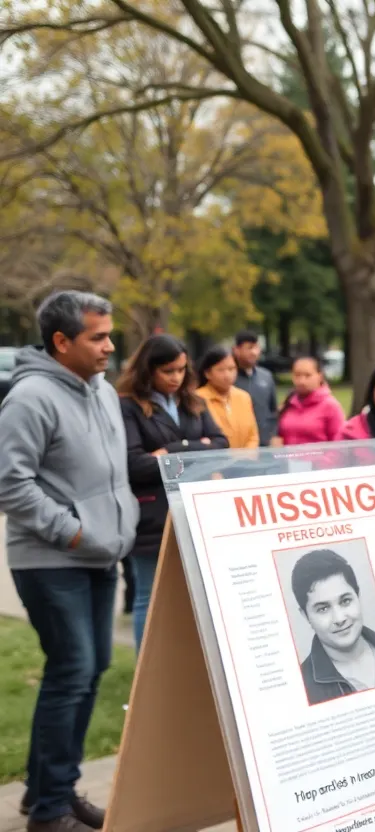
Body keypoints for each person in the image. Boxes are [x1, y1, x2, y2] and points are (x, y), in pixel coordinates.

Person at [0, 291, 137, 832]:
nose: (110, 346)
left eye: (109, 334)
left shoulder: (101, 389)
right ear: (61, 341)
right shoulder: (29, 397)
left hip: (100, 554)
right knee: (72, 669)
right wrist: (74, 531)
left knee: (91, 667)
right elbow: (10, 483)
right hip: (51, 560)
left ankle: (48, 790)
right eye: (97, 337)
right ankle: (52, 811)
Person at [118, 335, 229, 652]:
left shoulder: (193, 401)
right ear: (148, 369)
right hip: (152, 512)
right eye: (168, 371)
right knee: (148, 595)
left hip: (196, 507)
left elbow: (221, 446)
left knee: (198, 593)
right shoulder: (128, 406)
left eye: (181, 370)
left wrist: (171, 451)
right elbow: (136, 465)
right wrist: (195, 451)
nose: (176, 377)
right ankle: (146, 670)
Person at [291, 548, 375, 705]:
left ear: (358, 596)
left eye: (345, 601)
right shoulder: (301, 689)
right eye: (323, 609)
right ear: (305, 615)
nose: (339, 618)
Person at [197, 346, 260, 449]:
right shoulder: (198, 399)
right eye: (221, 370)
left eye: (231, 369)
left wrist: (248, 456)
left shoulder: (243, 397)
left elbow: (253, 436)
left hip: (246, 458)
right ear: (207, 373)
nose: (227, 375)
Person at [276, 355, 345, 445]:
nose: (302, 381)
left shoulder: (330, 406)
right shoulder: (288, 404)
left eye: (308, 375)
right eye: (297, 375)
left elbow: (339, 444)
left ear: (320, 376)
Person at [231, 330, 278, 446]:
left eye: (256, 348)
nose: (254, 352)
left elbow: (273, 411)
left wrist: (273, 435)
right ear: (236, 350)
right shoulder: (229, 378)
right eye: (249, 348)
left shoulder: (266, 376)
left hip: (265, 444)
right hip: (239, 445)